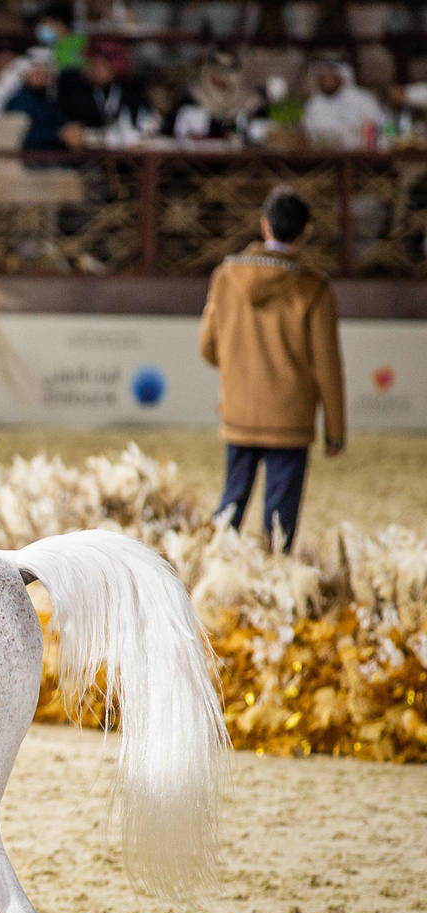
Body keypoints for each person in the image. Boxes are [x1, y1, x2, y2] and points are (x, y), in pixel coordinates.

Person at [199, 187, 346, 552]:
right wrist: (335, 430)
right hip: (290, 421)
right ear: (306, 230)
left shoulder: (226, 276)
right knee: (279, 523)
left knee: (230, 507)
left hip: (238, 413)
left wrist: (237, 369)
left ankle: (218, 577)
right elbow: (328, 366)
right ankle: (273, 584)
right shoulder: (315, 288)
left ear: (264, 225)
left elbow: (207, 347)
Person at [57, 40, 144, 138]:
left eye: (103, 66)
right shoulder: (75, 87)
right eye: (94, 65)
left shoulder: (129, 89)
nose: (97, 70)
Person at [2, 49, 80, 152]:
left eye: (46, 71)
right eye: (37, 70)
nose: (42, 74)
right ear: (25, 73)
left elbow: (62, 126)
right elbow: (22, 136)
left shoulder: (49, 101)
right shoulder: (19, 101)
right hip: (33, 160)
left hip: (54, 157)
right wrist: (58, 134)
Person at [303, 59, 386, 148]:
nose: (326, 81)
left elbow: (382, 125)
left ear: (342, 75)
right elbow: (310, 133)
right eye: (322, 77)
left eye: (331, 76)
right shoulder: (314, 104)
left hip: (361, 154)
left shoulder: (363, 99)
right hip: (324, 156)